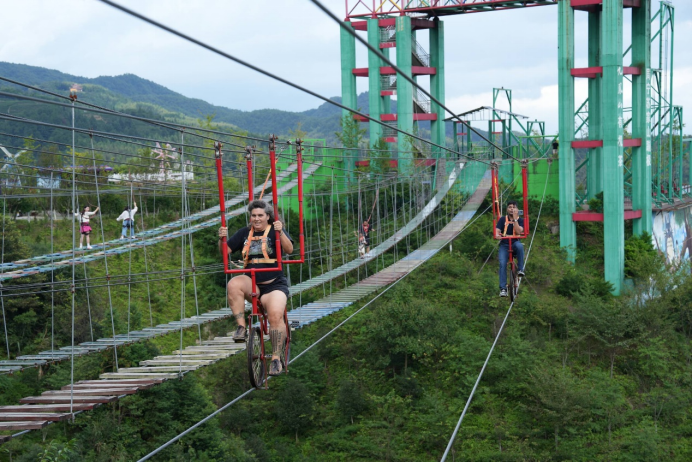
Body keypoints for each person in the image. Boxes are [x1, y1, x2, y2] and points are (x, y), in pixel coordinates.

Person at [218, 199, 294, 376]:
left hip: (273, 285)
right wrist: (221, 239)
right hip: (252, 283)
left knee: (275, 315)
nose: (257, 219)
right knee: (233, 284)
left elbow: (289, 249)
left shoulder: (275, 231)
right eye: (253, 216)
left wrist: (280, 230)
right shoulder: (244, 233)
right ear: (250, 217)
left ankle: (276, 357)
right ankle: (241, 327)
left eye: (261, 215)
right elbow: (225, 252)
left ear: (268, 216)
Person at [496, 200, 526, 297]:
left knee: (520, 246)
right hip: (504, 244)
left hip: (515, 242)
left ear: (517, 209)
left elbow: (518, 231)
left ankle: (520, 269)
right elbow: (497, 230)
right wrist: (497, 235)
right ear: (507, 209)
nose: (511, 209)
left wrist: (515, 219)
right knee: (502, 263)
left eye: (514, 207)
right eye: (510, 207)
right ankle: (503, 288)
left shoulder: (520, 220)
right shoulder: (502, 220)